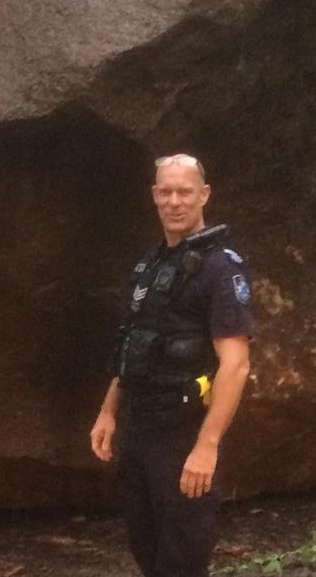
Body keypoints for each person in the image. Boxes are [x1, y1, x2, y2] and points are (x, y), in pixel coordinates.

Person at [89, 153, 253, 577]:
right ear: (154, 196)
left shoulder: (220, 269)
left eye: (184, 191)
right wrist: (108, 411)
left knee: (182, 556)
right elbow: (134, 342)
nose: (174, 201)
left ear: (204, 195)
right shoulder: (150, 264)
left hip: (183, 432)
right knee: (146, 545)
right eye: (166, 191)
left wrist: (207, 445)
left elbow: (235, 365)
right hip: (139, 425)